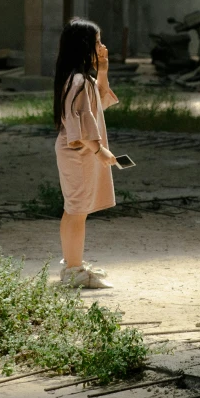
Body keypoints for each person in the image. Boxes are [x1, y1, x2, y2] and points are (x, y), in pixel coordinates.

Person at [54, 18, 119, 289]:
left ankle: (74, 264)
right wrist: (99, 149)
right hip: (78, 153)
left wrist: (103, 69)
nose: (102, 47)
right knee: (76, 211)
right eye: (97, 42)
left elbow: (98, 106)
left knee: (76, 211)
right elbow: (79, 121)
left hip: (82, 152)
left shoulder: (81, 78)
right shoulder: (78, 81)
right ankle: (74, 270)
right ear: (84, 46)